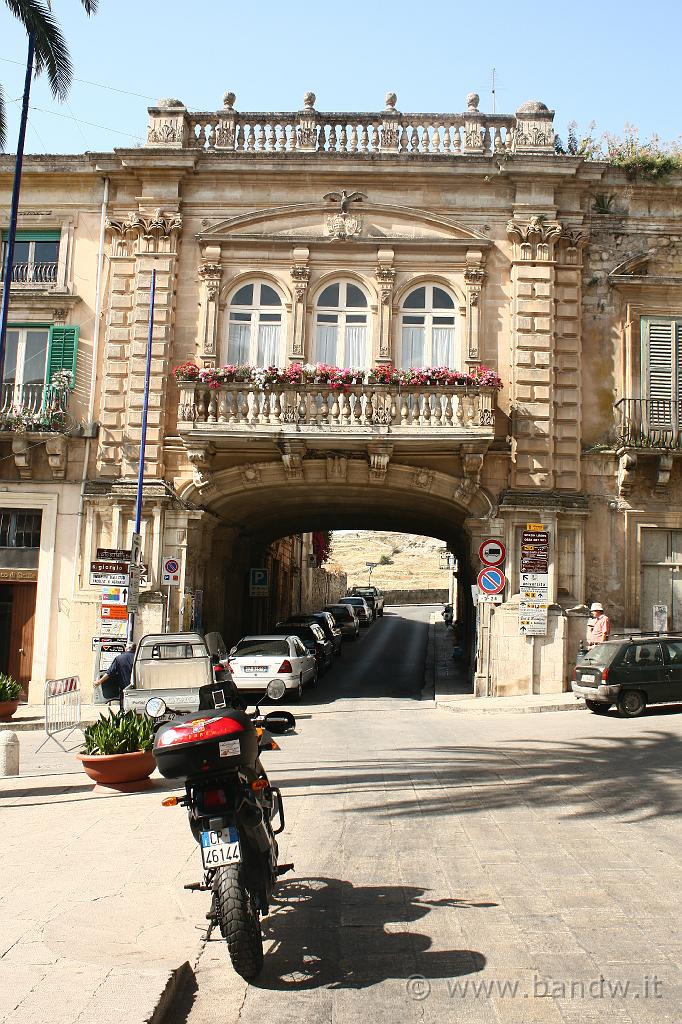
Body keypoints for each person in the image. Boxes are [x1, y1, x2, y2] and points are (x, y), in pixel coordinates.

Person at [94, 642, 136, 706]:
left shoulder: (119, 658)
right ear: (135, 649)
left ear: (126, 648)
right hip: (137, 689)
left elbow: (109, 673)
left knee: (125, 708)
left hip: (125, 689)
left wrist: (99, 681)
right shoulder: (138, 658)